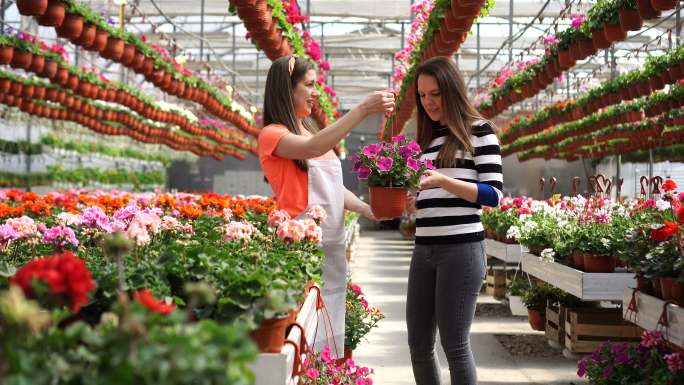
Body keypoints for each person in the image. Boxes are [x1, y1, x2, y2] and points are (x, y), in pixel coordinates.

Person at [257, 55, 395, 358]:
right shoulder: (273, 135)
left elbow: (335, 189)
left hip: (330, 243)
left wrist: (371, 210)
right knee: (305, 323)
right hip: (302, 246)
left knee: (329, 319)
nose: (315, 91)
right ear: (286, 90)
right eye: (309, 85)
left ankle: (326, 374)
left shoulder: (308, 132)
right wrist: (362, 109)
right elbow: (312, 149)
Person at [405, 56, 503, 384]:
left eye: (435, 93)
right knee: (418, 343)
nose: (429, 102)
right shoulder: (427, 141)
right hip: (424, 250)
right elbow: (427, 194)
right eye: (422, 95)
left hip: (461, 250)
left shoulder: (480, 132)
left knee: (455, 346)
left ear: (451, 90)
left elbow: (493, 195)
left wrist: (442, 180)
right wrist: (412, 201)